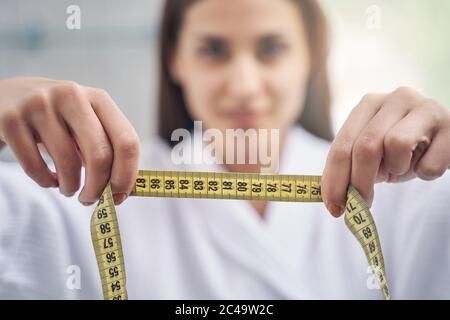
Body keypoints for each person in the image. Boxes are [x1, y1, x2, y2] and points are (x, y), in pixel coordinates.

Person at [1, 0, 449, 299]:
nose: (244, 86)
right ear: (176, 58)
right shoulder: (89, 190)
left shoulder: (402, 189)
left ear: (310, 56)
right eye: (213, 50)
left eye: (271, 48)